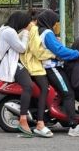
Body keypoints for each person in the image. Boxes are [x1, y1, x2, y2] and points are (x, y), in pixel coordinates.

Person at [36, 10, 79, 137]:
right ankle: (73, 126)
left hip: (53, 66)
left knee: (66, 92)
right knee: (68, 93)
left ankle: (63, 116)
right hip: (52, 68)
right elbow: (60, 51)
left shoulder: (44, 32)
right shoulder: (47, 33)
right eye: (56, 22)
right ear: (50, 21)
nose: (58, 25)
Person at [0, 11, 35, 137]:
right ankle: (23, 119)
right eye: (26, 23)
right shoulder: (9, 32)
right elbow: (21, 48)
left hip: (11, 62)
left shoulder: (4, 29)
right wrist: (27, 32)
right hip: (11, 65)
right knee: (28, 86)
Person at [18, 9, 56, 138]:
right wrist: (53, 55)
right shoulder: (33, 29)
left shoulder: (25, 28)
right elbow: (37, 51)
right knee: (45, 89)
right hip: (33, 65)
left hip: (26, 63)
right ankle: (40, 123)